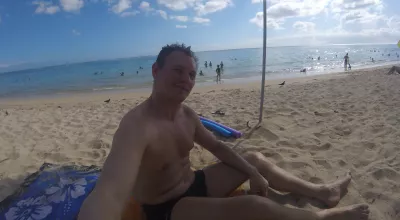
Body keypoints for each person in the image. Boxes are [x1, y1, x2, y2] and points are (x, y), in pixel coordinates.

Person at [78, 43, 369, 220]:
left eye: (191, 74)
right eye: (178, 71)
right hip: (168, 209)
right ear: (156, 70)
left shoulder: (187, 115)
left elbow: (218, 148)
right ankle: (320, 218)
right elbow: (111, 193)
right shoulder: (136, 126)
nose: (186, 80)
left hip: (195, 183)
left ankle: (322, 192)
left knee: (253, 158)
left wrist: (254, 173)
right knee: (254, 206)